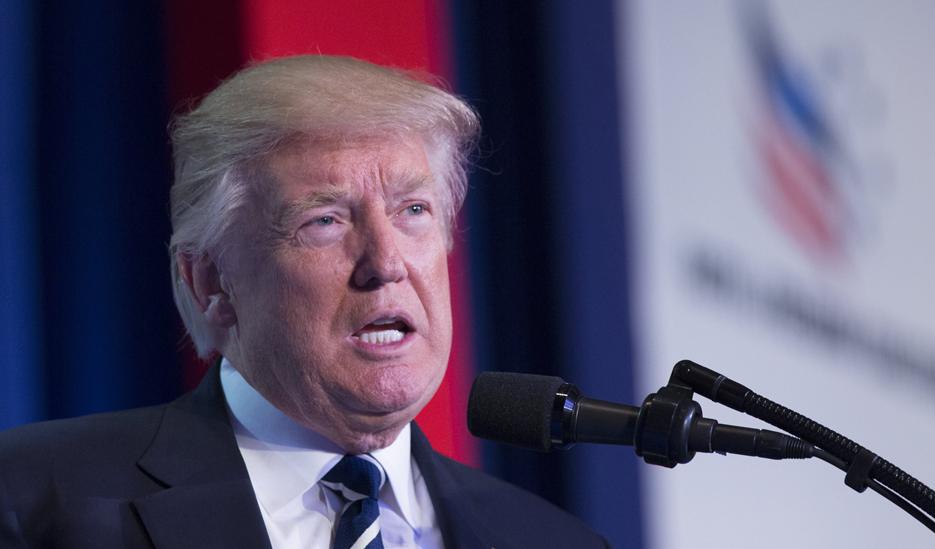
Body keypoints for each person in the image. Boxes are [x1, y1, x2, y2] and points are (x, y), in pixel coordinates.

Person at [0, 55, 607, 548]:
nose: (387, 263)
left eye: (413, 211)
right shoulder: (35, 499)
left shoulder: (555, 539)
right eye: (324, 221)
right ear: (211, 284)